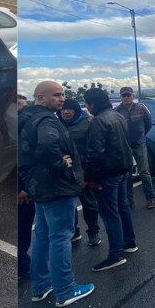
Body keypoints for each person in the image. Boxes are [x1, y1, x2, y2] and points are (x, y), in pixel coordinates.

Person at [18, 81, 94, 307]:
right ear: (40, 97)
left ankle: (41, 286)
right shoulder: (47, 119)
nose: (62, 99)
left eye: (62, 95)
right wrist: (63, 164)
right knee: (61, 236)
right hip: (56, 186)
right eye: (56, 95)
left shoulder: (29, 118)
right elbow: (48, 144)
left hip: (39, 186)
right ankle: (65, 290)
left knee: (42, 235)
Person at [84, 87, 137, 270]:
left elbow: (95, 153)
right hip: (123, 170)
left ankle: (116, 254)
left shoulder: (98, 121)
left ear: (92, 104)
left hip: (107, 174)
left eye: (87, 104)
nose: (87, 108)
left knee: (110, 213)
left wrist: (89, 176)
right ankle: (129, 243)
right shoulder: (118, 116)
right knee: (123, 208)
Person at [59, 98, 102, 246]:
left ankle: (93, 233)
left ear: (76, 110)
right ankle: (74, 232)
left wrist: (89, 172)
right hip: (65, 173)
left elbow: (95, 148)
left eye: (69, 109)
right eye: (63, 109)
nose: (65, 112)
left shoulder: (87, 123)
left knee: (89, 204)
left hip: (84, 172)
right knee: (69, 205)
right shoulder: (57, 124)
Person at [117, 87, 155, 209]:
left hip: (140, 144)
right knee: (127, 174)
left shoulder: (141, 108)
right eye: (123, 96)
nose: (126, 98)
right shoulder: (117, 111)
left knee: (144, 172)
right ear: (120, 97)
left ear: (133, 96)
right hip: (125, 146)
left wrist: (141, 135)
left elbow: (148, 123)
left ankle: (151, 199)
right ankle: (129, 201)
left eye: (128, 95)